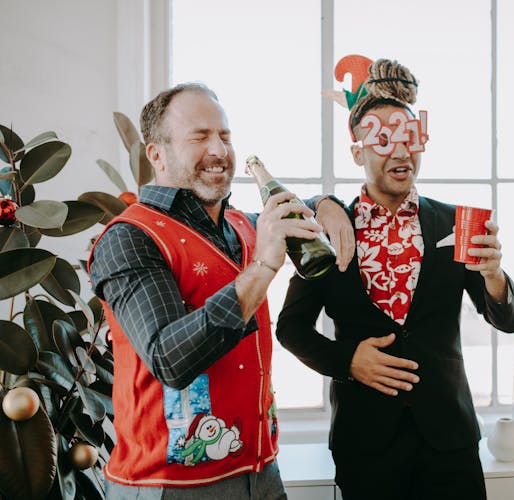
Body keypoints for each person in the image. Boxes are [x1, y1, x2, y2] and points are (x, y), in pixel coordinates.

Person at [88, 82, 353, 499]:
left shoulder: (243, 226)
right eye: (199, 136)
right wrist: (264, 266)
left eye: (225, 136)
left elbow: (288, 209)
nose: (219, 150)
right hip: (168, 485)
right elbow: (169, 359)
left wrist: (326, 204)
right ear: (156, 154)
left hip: (262, 473)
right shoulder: (129, 238)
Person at [275, 56, 514, 499]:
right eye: (382, 138)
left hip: (450, 441)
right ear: (358, 152)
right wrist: (347, 361)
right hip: (366, 444)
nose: (399, 150)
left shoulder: (455, 223)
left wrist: (494, 276)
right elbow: (290, 327)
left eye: (410, 137)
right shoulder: (331, 229)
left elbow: (506, 319)